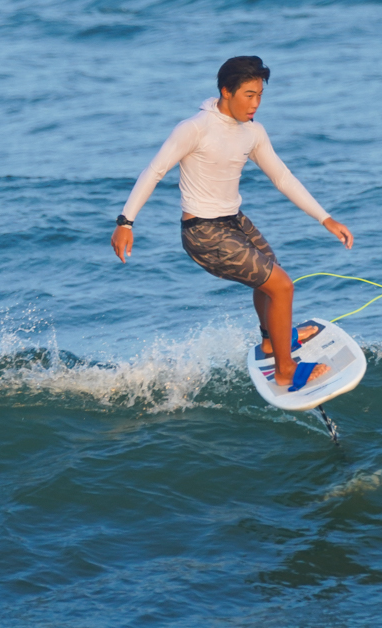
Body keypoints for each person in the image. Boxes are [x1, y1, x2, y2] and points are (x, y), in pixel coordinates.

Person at [110, 55, 354, 390]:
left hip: (234, 221)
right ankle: (285, 370)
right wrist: (126, 222)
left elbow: (282, 177)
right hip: (202, 232)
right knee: (282, 286)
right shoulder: (194, 128)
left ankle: (271, 342)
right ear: (226, 91)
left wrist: (324, 218)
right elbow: (154, 171)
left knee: (270, 273)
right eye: (249, 95)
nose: (255, 104)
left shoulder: (252, 132)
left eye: (260, 96)